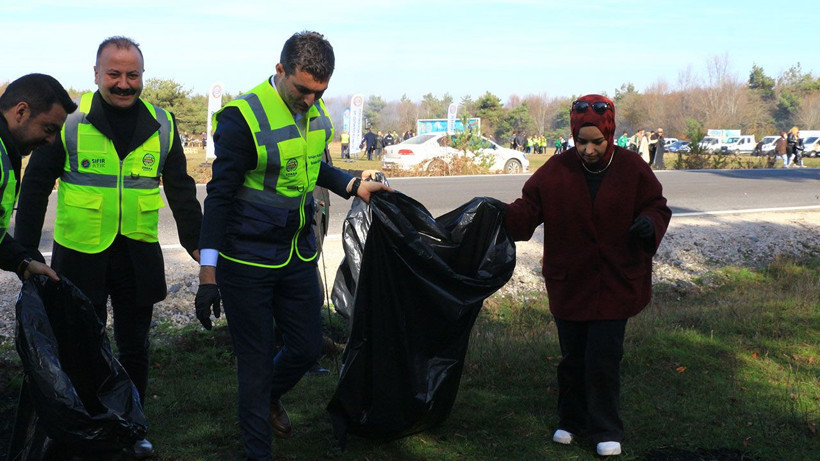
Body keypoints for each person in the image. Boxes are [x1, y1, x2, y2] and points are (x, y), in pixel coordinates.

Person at [193, 31, 393, 460]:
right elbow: (220, 198)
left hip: (297, 253)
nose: (310, 99)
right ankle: (257, 451)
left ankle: (268, 397)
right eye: (303, 89)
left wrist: (354, 184)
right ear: (280, 69)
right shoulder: (240, 118)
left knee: (304, 347)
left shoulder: (317, 112)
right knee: (255, 362)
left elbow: (315, 168)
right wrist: (208, 274)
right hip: (244, 260)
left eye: (320, 91)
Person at [14, 37, 203, 459]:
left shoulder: (164, 123)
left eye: (132, 75)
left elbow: (182, 193)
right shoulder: (69, 121)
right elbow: (36, 187)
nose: (123, 83)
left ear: (142, 76)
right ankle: (88, 424)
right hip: (80, 254)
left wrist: (201, 249)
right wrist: (25, 252)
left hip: (137, 253)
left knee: (135, 345)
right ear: (96, 74)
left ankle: (133, 427)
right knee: (82, 342)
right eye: (113, 74)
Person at [503, 94, 671, 457]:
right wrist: (498, 215)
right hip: (571, 282)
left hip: (615, 280)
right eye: (582, 142)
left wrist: (649, 223)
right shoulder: (555, 169)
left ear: (610, 135)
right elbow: (528, 208)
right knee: (573, 357)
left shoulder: (632, 167)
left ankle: (605, 428)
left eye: (597, 142)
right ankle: (570, 420)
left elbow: (657, 205)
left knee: (604, 358)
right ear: (573, 137)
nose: (589, 149)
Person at [0, 74, 75, 282]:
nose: (51, 141)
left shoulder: (6, 150)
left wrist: (21, 261)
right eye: (49, 129)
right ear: (21, 111)